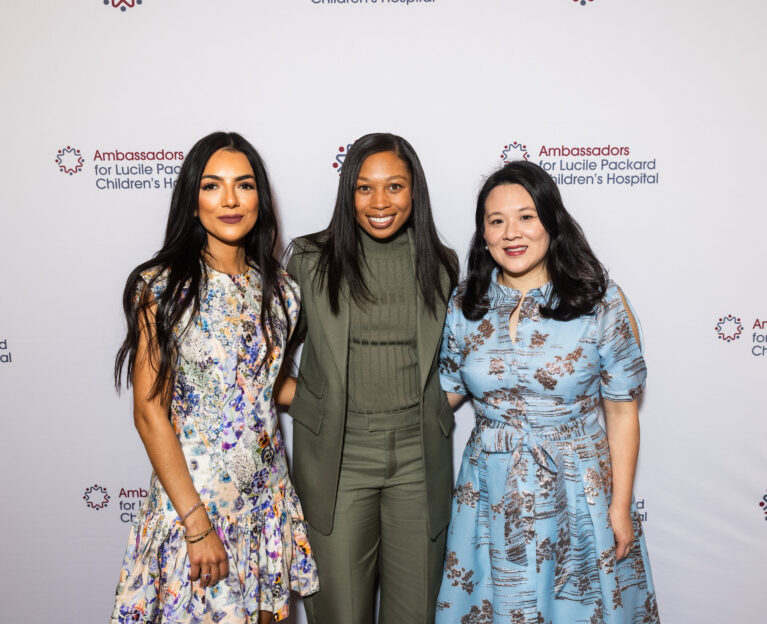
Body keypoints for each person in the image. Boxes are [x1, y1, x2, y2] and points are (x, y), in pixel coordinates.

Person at [436, 161, 659, 623]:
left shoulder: (600, 301)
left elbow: (621, 413)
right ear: (483, 233)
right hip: (489, 489)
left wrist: (620, 507)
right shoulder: (464, 304)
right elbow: (443, 395)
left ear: (551, 223)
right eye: (496, 221)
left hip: (579, 489)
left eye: (526, 216)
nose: (511, 233)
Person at [111, 132, 318, 624]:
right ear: (192, 198)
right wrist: (196, 523)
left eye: (243, 186)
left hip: (265, 502)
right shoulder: (162, 286)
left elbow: (264, 385)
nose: (229, 200)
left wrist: (346, 399)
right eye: (212, 185)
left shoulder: (282, 290)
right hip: (198, 507)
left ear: (258, 198)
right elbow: (149, 412)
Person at [282, 132, 459, 623]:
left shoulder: (443, 265)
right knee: (341, 612)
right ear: (348, 193)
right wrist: (308, 404)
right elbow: (259, 357)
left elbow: (469, 355)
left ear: (414, 191)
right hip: (338, 455)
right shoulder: (309, 259)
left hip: (420, 456)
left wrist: (442, 402)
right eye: (365, 188)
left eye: (394, 187)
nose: (380, 203)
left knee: (416, 613)